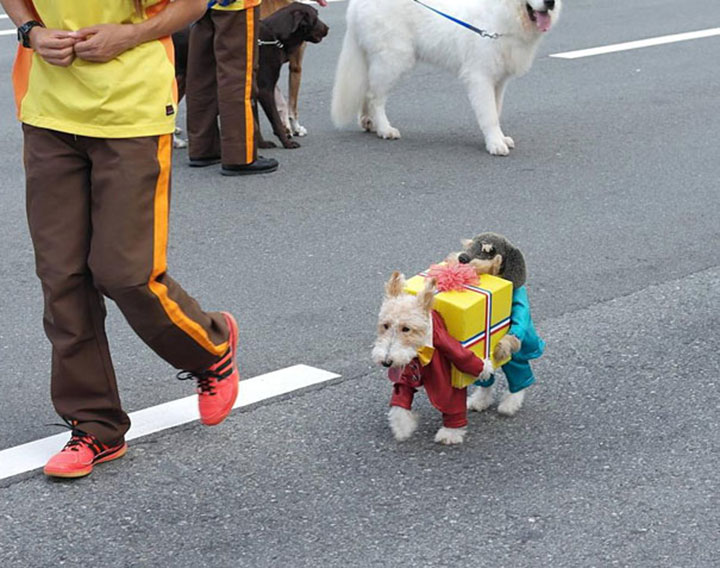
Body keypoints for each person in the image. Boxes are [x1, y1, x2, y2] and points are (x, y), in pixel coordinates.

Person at [3, 0, 241, 479]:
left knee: (126, 273)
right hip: (49, 113)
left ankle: (210, 348)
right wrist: (30, 31)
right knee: (62, 277)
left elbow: (193, 5)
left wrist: (130, 35)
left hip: (132, 112)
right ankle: (95, 426)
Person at [185, 0, 326, 176]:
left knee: (203, 72)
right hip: (235, 5)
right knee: (237, 73)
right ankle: (239, 154)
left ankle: (203, 148)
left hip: (200, 4)